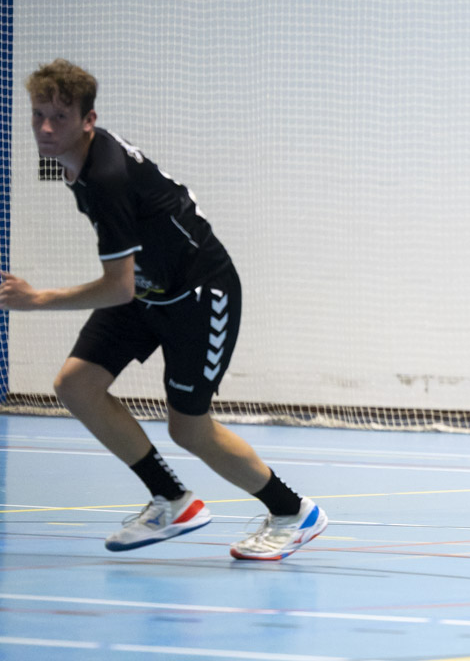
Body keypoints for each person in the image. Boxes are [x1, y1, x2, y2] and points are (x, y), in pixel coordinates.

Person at [1, 59, 329, 558]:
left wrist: (35, 300)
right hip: (149, 289)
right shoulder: (71, 160)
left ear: (89, 120)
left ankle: (294, 512)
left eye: (59, 118)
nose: (45, 128)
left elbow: (117, 288)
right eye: (37, 115)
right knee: (77, 384)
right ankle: (174, 501)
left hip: (200, 295)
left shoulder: (106, 178)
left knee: (188, 428)